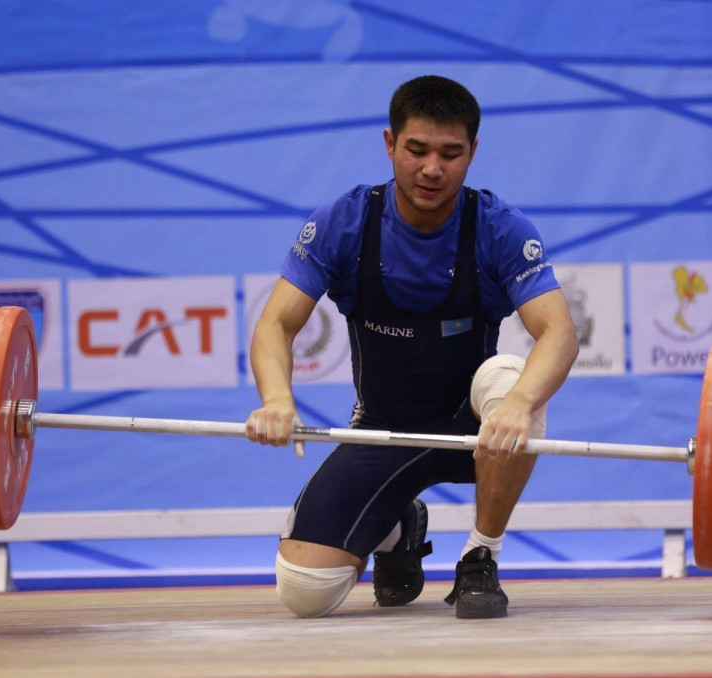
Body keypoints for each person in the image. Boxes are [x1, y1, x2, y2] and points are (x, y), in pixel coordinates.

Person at [245, 75, 578, 620]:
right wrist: (278, 398)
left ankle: (480, 555)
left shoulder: (499, 228)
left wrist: (518, 404)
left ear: (473, 151)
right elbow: (276, 324)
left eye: (450, 153)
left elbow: (559, 333)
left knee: (511, 377)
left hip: (478, 433)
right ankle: (399, 529)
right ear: (389, 144)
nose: (432, 169)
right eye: (416, 150)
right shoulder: (344, 223)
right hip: (383, 427)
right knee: (306, 591)